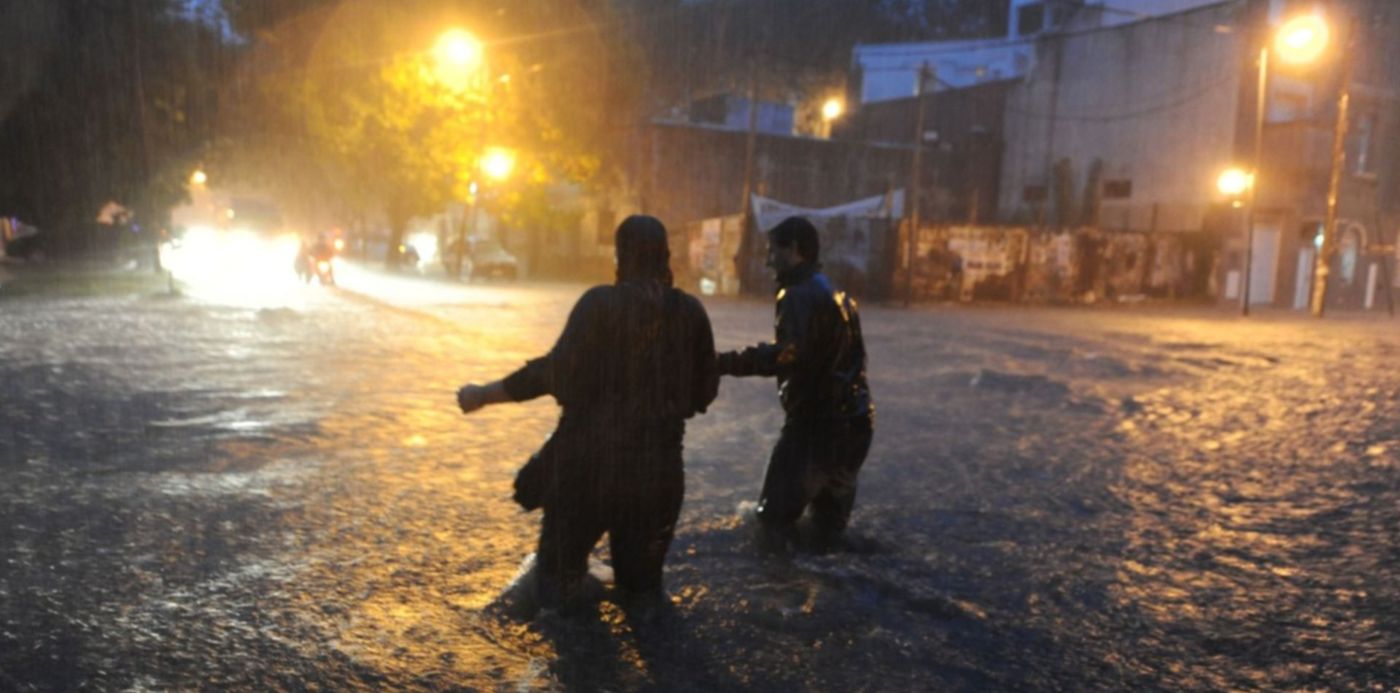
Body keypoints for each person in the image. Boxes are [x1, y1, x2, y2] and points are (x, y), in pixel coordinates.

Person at [456, 214, 718, 614]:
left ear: (621, 256)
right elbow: (704, 393)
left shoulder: (599, 304)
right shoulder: (691, 313)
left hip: (587, 470)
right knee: (642, 599)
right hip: (658, 476)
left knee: (556, 591)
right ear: (666, 256)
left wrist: (482, 395)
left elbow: (552, 373)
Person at [716, 216, 874, 551]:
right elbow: (857, 360)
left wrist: (724, 363)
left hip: (815, 428)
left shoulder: (796, 294)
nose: (767, 260)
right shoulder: (840, 295)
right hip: (855, 426)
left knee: (772, 524)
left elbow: (788, 355)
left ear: (796, 250)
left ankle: (779, 594)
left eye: (773, 250)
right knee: (828, 535)